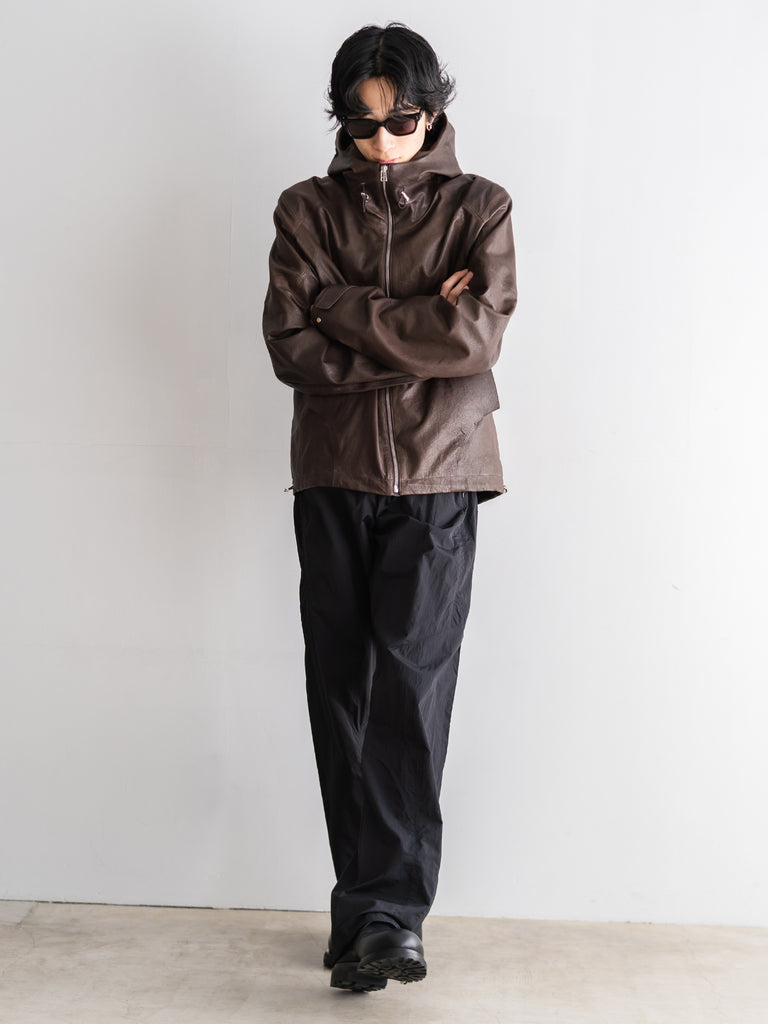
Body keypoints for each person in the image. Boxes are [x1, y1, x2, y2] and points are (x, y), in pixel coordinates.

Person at [263, 23, 517, 993]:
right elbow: (290, 347)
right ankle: (362, 912)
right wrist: (415, 328)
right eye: (362, 124)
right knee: (342, 692)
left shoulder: (481, 208)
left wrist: (344, 307)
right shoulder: (304, 210)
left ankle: (390, 918)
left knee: (410, 691)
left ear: (433, 110)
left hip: (441, 475)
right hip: (332, 475)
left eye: (401, 121)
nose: (382, 142)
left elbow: (474, 341)